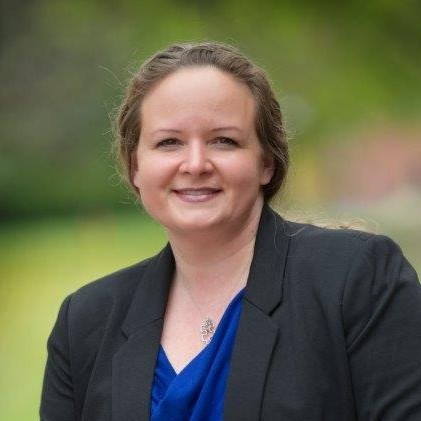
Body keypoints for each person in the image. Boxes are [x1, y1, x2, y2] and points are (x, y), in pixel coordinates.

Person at [40, 42, 421, 421]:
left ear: (266, 162)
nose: (195, 164)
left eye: (224, 141)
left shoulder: (358, 279)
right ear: (137, 166)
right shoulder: (85, 320)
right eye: (169, 142)